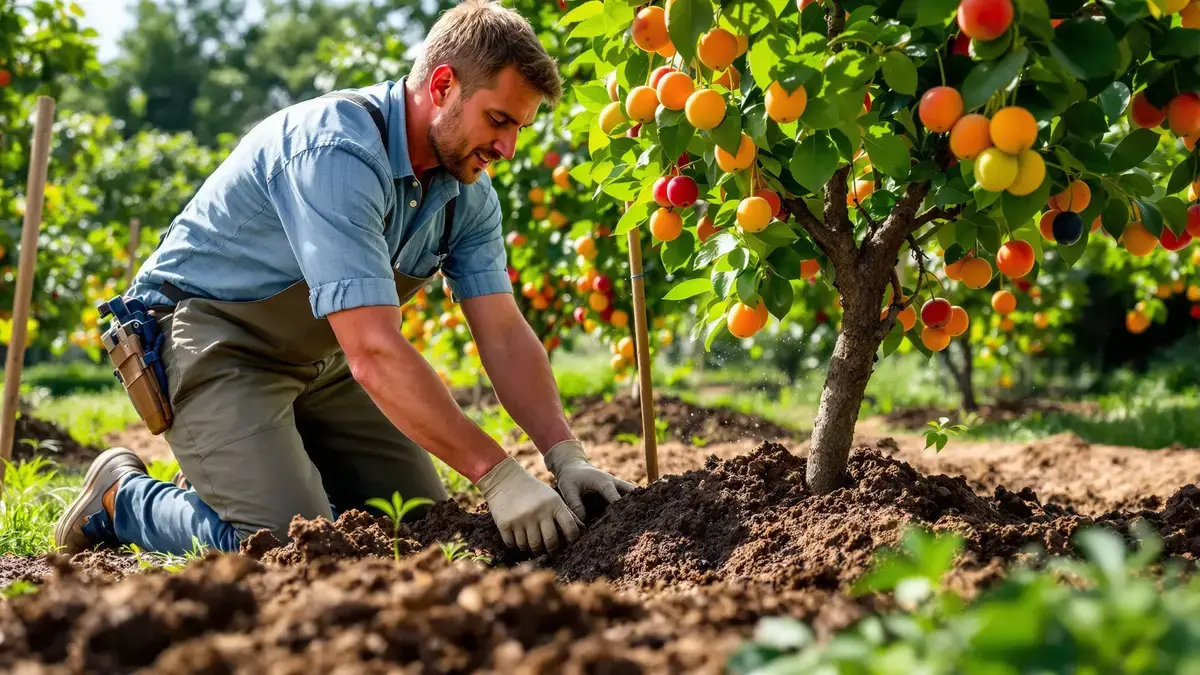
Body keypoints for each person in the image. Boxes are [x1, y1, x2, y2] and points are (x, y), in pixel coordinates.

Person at [54, 0, 635, 558]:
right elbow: (375, 353)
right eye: (499, 120)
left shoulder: (467, 192)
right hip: (211, 343)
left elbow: (503, 334)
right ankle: (123, 497)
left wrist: (565, 455)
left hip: (321, 358)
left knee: (414, 524)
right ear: (442, 87)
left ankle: (245, 464)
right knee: (285, 547)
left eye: (519, 128)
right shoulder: (335, 151)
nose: (507, 147)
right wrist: (498, 474)